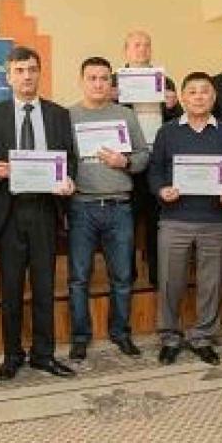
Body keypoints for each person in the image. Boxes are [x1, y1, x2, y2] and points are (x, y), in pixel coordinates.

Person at [0, 46, 76, 380]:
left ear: (39, 72)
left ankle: (43, 354)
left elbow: (70, 160)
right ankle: (12, 354)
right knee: (11, 290)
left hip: (46, 211)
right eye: (19, 71)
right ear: (8, 77)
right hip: (8, 212)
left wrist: (68, 180)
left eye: (32, 69)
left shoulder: (59, 114)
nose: (27, 76)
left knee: (45, 287)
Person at [148, 72, 222, 366]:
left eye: (205, 92)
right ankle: (170, 335)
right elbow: (155, 170)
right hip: (175, 219)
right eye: (192, 92)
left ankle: (203, 336)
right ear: (183, 98)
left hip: (215, 221)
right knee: (169, 279)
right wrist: (161, 189)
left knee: (211, 282)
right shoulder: (167, 132)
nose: (199, 96)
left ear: (213, 98)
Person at [67, 57, 149, 361]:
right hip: (82, 206)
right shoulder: (68, 116)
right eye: (92, 78)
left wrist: (124, 162)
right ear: (81, 81)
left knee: (123, 276)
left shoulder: (125, 115)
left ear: (111, 83)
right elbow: (62, 159)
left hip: (119, 207)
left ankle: (121, 333)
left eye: (104, 78)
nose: (99, 83)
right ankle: (80, 336)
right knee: (78, 277)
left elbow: (142, 157)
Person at [114, 30, 183, 287]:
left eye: (146, 45)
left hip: (159, 160)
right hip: (127, 162)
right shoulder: (113, 82)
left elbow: (178, 121)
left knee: (158, 221)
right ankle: (127, 276)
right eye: (136, 45)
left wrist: (174, 105)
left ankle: (157, 275)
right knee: (126, 223)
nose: (142, 49)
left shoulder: (165, 81)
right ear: (126, 51)